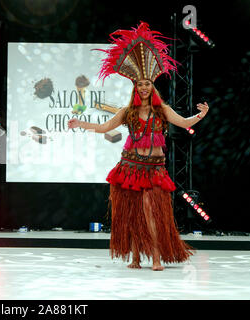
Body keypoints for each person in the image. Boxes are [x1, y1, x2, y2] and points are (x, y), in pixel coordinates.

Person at [67, 22, 209, 271]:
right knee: (133, 214)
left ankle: (155, 257)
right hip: (130, 167)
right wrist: (81, 123)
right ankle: (134, 257)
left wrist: (202, 115)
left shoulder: (161, 110)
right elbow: (104, 128)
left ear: (152, 86)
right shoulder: (127, 111)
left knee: (153, 213)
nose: (144, 87)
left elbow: (185, 123)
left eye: (147, 84)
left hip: (154, 168)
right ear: (135, 87)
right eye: (140, 84)